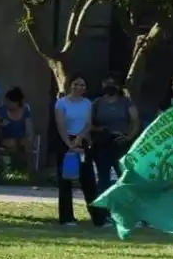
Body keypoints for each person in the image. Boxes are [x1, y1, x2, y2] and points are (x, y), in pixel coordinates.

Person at [53, 74, 105, 227]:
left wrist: (79, 139)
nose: (79, 87)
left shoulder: (87, 103)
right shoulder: (61, 103)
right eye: (76, 84)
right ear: (70, 85)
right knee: (65, 180)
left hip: (82, 141)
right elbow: (60, 124)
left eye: (82, 85)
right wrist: (69, 143)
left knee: (88, 180)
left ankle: (99, 219)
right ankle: (67, 218)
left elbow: (88, 123)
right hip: (65, 142)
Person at [90, 72, 141, 193]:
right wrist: (100, 129)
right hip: (102, 145)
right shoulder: (97, 103)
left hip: (121, 144)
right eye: (107, 83)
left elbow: (136, 121)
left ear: (119, 86)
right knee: (103, 178)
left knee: (124, 176)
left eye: (113, 83)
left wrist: (129, 137)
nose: (110, 85)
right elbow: (88, 125)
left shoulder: (126, 102)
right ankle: (103, 203)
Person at [0, 86, 33, 170]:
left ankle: (25, 169)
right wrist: (1, 123)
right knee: (11, 143)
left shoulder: (25, 111)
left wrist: (29, 139)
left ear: (16, 102)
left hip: (21, 137)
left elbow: (29, 128)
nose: (7, 103)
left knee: (25, 143)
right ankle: (11, 169)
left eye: (9, 102)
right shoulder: (3, 110)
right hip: (7, 137)